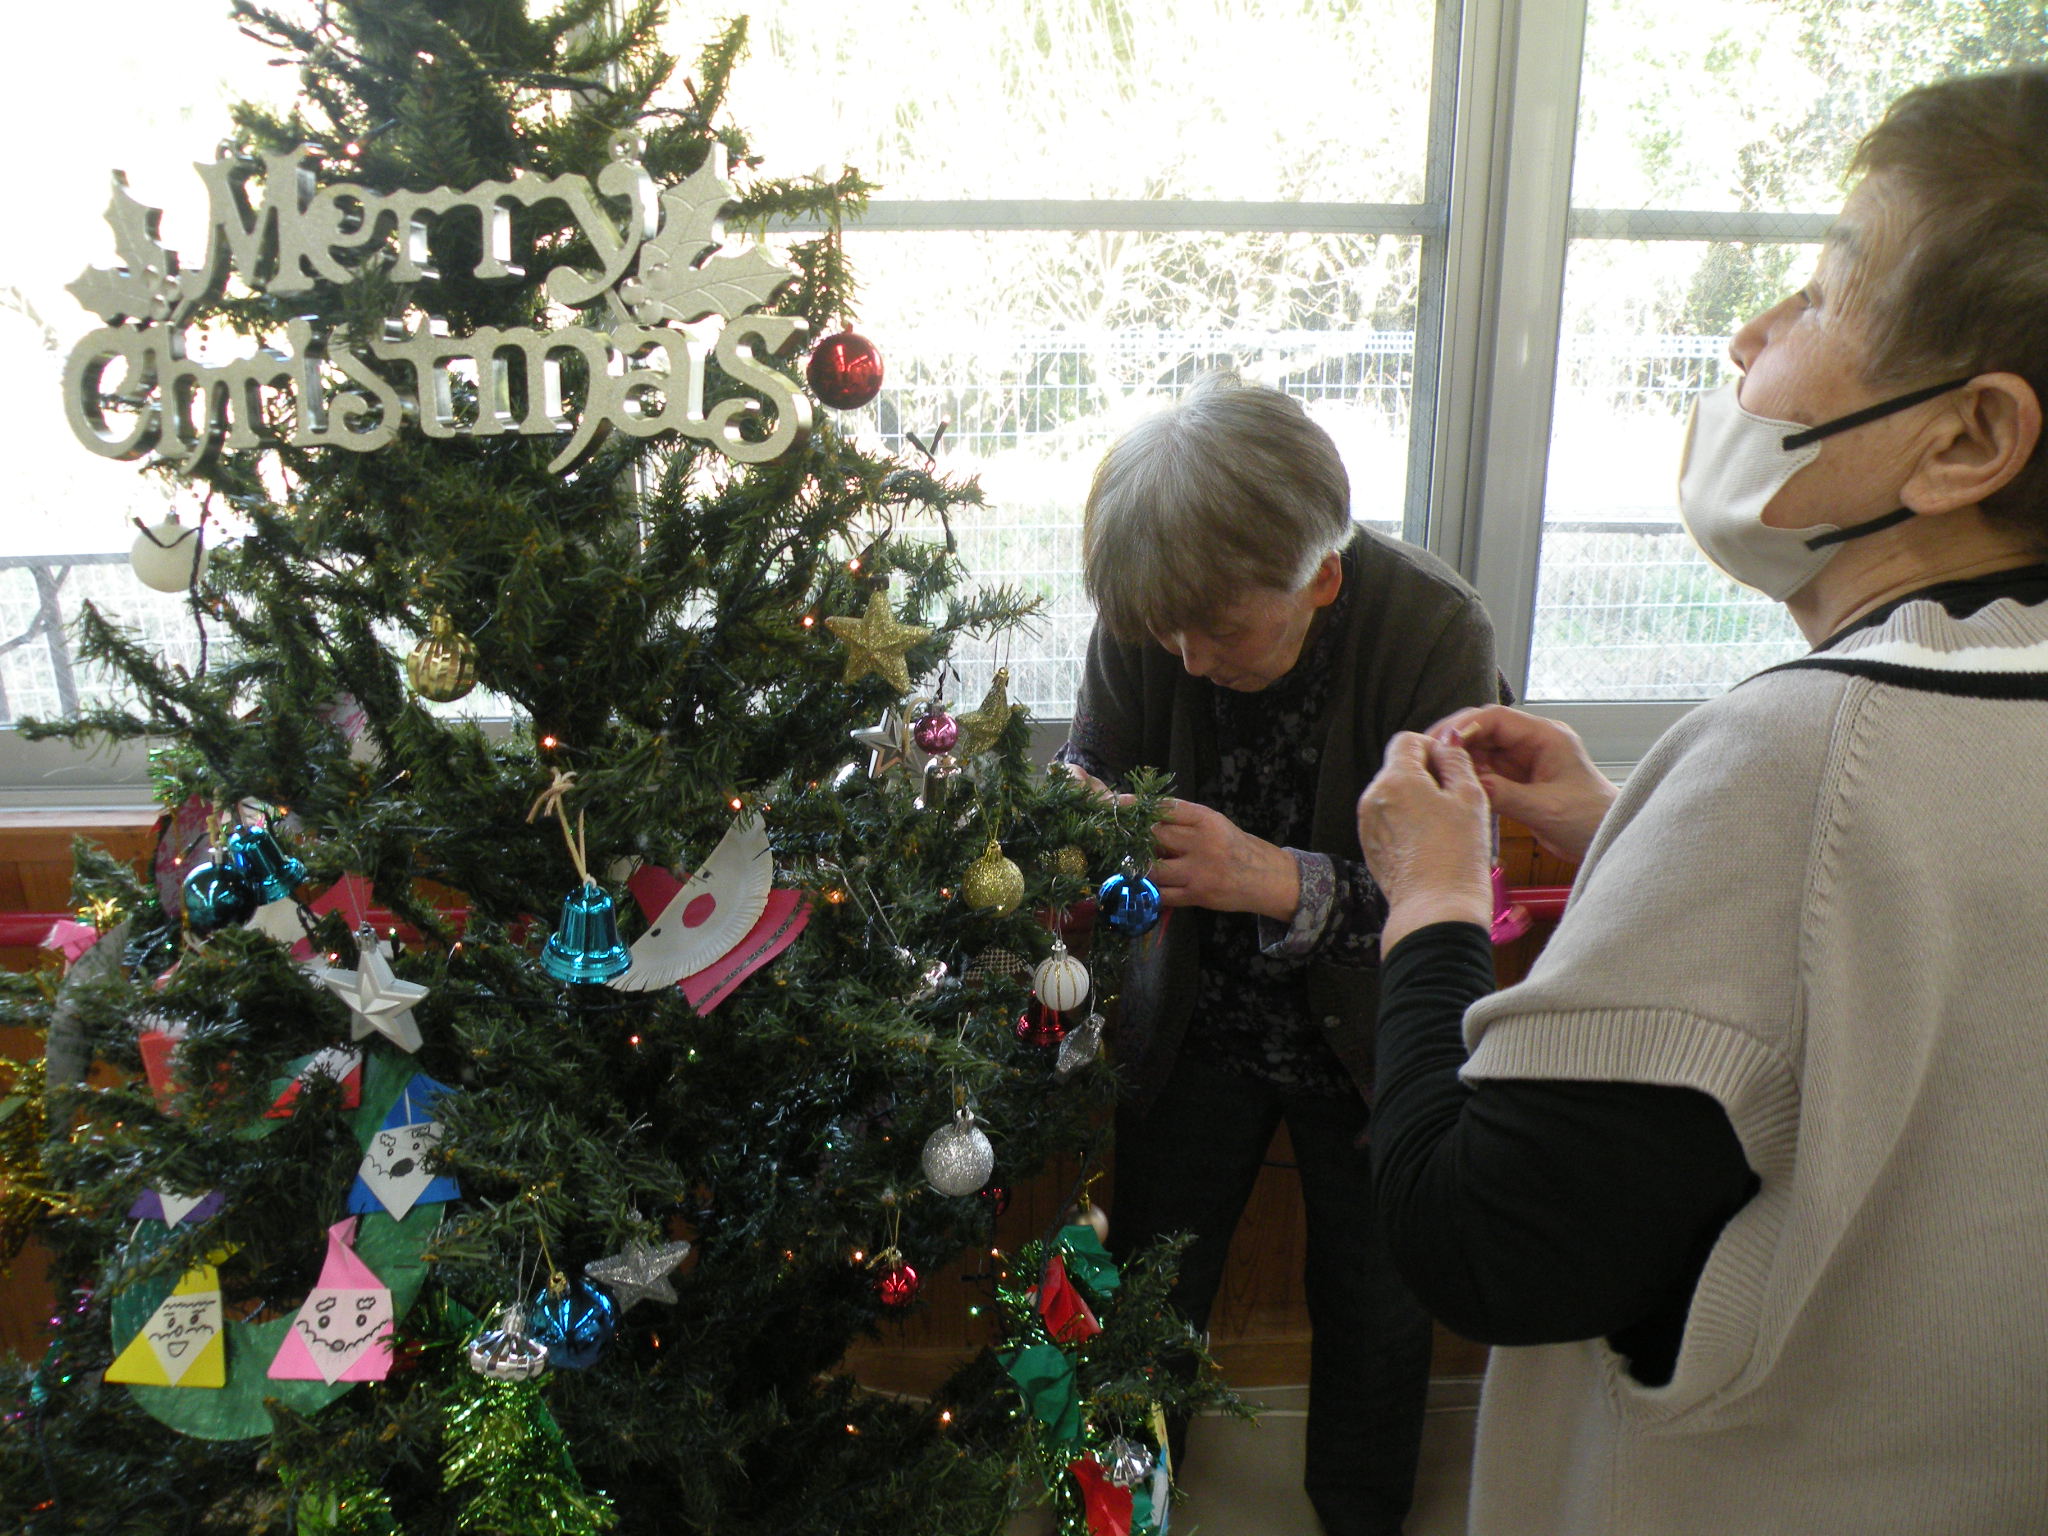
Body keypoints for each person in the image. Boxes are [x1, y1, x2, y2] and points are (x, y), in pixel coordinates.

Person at [1352, 68, 2048, 1535]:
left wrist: (1432, 895)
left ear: (1968, 440)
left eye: (1821, 294)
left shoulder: (1797, 755)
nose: (1750, 335)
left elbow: (1480, 1242)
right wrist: (1627, 828)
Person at [1055, 371, 1501, 1536]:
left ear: (1321, 579)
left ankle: (1359, 1518)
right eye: (1162, 633)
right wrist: (1078, 812)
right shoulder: (1158, 604)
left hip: (1376, 1043)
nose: (1188, 658)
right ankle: (1120, 1514)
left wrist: (1269, 877)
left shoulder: (1433, 631)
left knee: (1376, 1304)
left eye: (1221, 630)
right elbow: (1092, 762)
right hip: (1191, 1024)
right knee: (1147, 1290)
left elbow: (1460, 894)